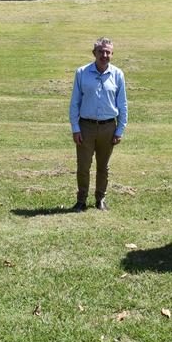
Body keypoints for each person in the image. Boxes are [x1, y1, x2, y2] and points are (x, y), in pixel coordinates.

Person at [69, 37, 128, 212]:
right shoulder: (81, 73)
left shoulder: (118, 74)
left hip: (108, 127)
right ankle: (81, 200)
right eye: (101, 51)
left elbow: (122, 104)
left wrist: (120, 129)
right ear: (94, 53)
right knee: (83, 166)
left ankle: (100, 199)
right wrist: (75, 128)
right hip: (86, 126)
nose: (104, 55)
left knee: (103, 166)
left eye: (108, 52)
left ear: (112, 54)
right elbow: (75, 103)